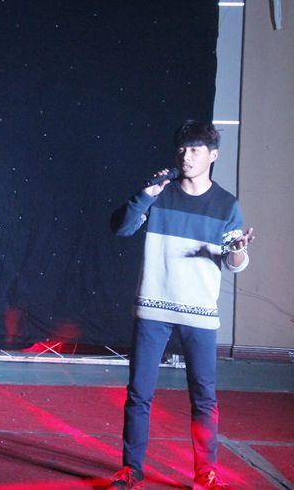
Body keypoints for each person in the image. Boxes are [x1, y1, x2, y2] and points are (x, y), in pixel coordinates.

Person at [107, 121, 254, 490]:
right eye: (183, 149)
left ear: (212, 156)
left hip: (199, 313)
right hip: (153, 308)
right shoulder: (160, 193)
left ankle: (206, 473)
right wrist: (146, 195)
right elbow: (122, 228)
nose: (186, 156)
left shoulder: (226, 204)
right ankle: (131, 469)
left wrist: (238, 251)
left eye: (195, 150)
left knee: (204, 397)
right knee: (139, 393)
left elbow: (234, 261)